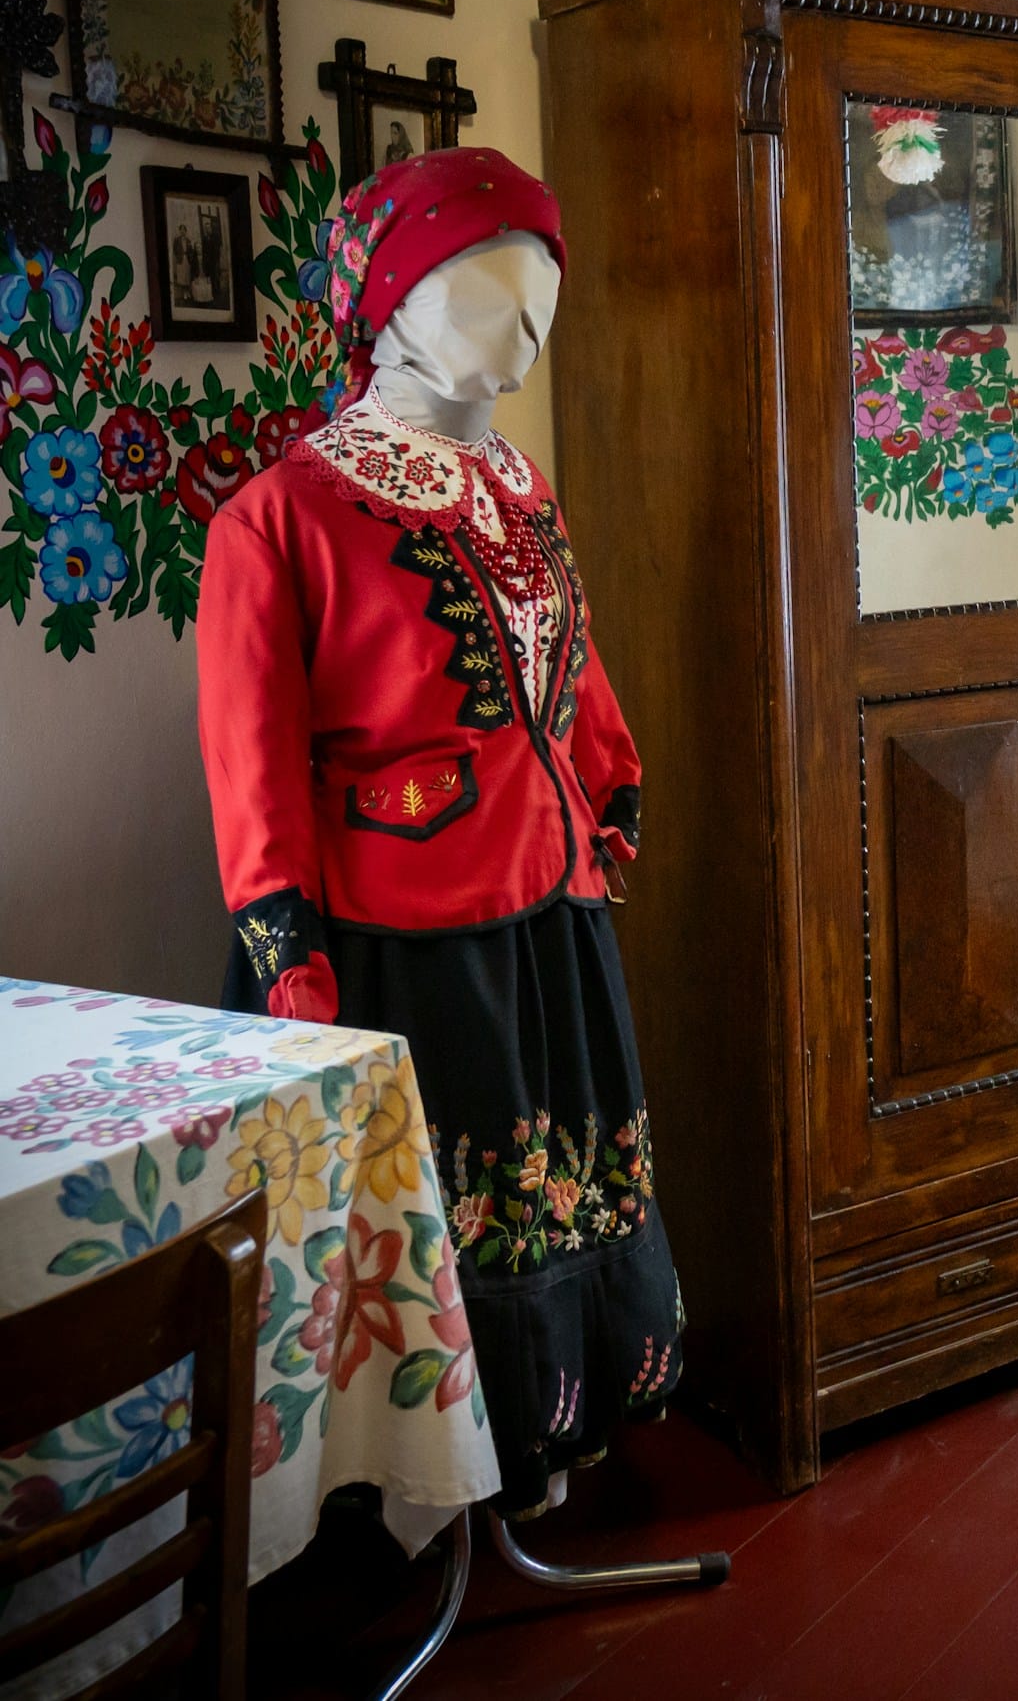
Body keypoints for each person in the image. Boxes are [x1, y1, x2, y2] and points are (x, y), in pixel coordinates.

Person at [197, 148, 683, 1514]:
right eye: (485, 291)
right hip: (394, 944)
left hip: (551, 914)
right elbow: (249, 761)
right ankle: (422, 1496)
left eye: (545, 296)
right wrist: (284, 944)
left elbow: (567, 670)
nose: (525, 327)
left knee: (560, 1192)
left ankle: (539, 1456)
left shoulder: (517, 484)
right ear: (393, 303)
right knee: (436, 1222)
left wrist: (609, 782)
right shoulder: (282, 516)